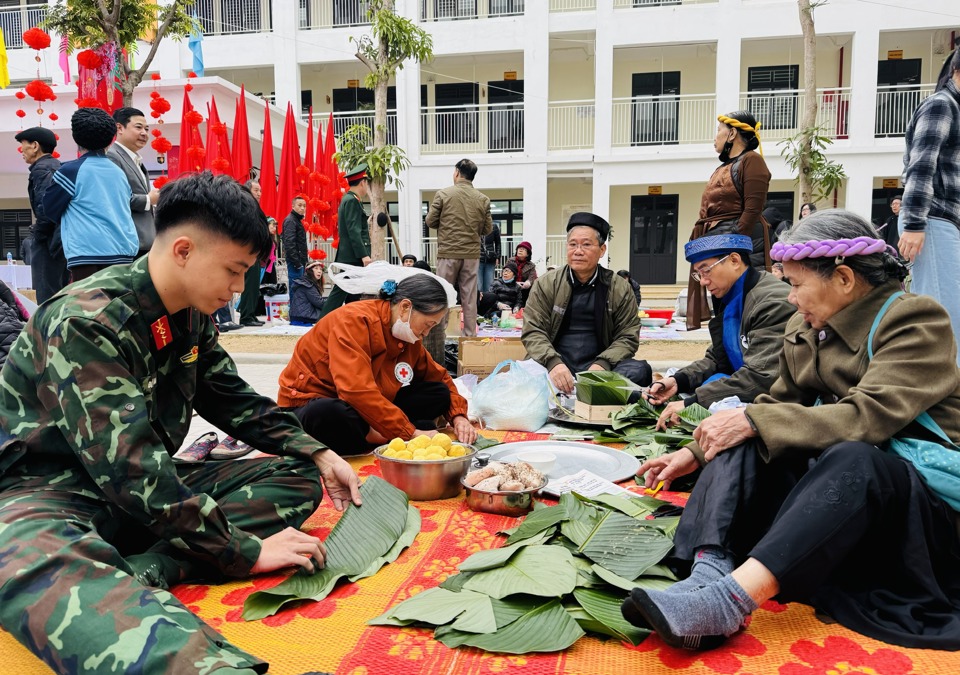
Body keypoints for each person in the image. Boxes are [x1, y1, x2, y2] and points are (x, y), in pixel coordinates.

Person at [0, 171, 362, 674]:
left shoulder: (188, 315)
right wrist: (242, 550)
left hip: (138, 497)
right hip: (49, 497)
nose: (239, 289)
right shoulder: (85, 321)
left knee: (296, 474)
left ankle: (160, 564)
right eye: (234, 271)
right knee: (42, 578)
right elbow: (133, 468)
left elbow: (232, 399)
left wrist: (317, 452)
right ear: (185, 250)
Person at [627, 209, 960, 652]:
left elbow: (867, 418)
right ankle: (708, 573)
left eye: (797, 284)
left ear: (843, 278)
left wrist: (752, 419)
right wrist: (696, 452)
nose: (790, 298)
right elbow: (777, 407)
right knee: (748, 434)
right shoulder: (806, 326)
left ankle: (728, 603)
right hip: (839, 497)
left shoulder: (914, 321)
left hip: (915, 510)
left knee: (849, 454)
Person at [278, 274, 477, 455]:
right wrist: (411, 433)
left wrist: (458, 416)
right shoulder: (353, 321)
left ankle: (376, 432)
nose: (426, 333)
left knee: (438, 393)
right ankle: (380, 434)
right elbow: (355, 390)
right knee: (328, 413)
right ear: (405, 307)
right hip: (316, 402)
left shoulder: (407, 336)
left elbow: (439, 376)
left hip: (370, 403)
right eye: (427, 325)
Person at [645, 234, 793, 428]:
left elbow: (761, 377)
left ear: (734, 260)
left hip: (775, 401)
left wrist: (692, 402)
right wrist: (678, 380)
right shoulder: (730, 295)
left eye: (706, 270)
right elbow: (718, 358)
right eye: (698, 274)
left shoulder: (771, 303)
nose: (703, 282)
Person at [522, 212, 651, 393]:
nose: (578, 251)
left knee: (639, 371)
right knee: (522, 375)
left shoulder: (619, 287)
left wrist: (603, 364)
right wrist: (553, 363)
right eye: (573, 244)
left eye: (587, 244)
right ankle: (591, 395)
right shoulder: (546, 283)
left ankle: (591, 392)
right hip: (555, 365)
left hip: (600, 368)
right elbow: (533, 330)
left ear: (602, 250)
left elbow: (628, 336)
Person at [899, 48, 960, 366]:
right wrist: (913, 224)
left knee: (948, 312)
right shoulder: (942, 105)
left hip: (941, 219)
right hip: (932, 218)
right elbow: (921, 167)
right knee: (942, 314)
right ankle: (944, 393)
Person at [686, 111, 772, 329]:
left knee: (746, 305)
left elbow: (752, 209)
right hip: (718, 242)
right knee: (724, 308)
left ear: (732, 133)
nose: (715, 137)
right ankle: (724, 356)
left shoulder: (752, 160)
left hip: (738, 245)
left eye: (718, 131)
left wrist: (732, 244)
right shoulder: (722, 168)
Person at [43, 107, 139, 282]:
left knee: (89, 307)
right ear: (111, 139)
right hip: (123, 253)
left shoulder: (70, 171)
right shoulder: (118, 172)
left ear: (76, 137)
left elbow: (49, 209)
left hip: (87, 254)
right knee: (117, 306)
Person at [425, 158, 493, 337]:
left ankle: (439, 336)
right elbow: (487, 229)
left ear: (456, 172)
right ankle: (470, 336)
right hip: (471, 255)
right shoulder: (483, 199)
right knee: (469, 297)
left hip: (448, 252)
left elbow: (430, 221)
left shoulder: (443, 194)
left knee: (443, 295)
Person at [15, 126, 68, 303]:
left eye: (24, 146)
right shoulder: (58, 166)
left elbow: (46, 208)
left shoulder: (41, 170)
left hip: (49, 243)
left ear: (35, 146)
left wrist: (37, 235)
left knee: (47, 298)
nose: (22, 151)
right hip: (62, 241)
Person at [319, 164, 372, 318]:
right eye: (366, 182)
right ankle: (322, 321)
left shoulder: (350, 199)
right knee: (341, 289)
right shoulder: (352, 201)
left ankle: (352, 320)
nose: (367, 186)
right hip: (352, 256)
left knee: (354, 290)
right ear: (362, 182)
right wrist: (364, 255)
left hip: (351, 255)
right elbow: (353, 231)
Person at [106, 107, 159, 257]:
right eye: (138, 127)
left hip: (144, 240)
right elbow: (117, 199)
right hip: (130, 242)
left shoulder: (135, 159)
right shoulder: (113, 157)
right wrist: (150, 199)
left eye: (147, 129)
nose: (144, 133)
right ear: (119, 128)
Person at [236, 179, 266, 327]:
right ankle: (246, 316)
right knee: (248, 284)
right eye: (256, 190)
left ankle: (251, 314)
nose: (259, 194)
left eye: (260, 190)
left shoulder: (255, 208)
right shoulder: (244, 207)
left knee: (254, 285)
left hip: (256, 251)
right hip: (247, 250)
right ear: (248, 191)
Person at [281, 195, 308, 287]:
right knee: (296, 288)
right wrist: (297, 263)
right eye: (299, 205)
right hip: (295, 262)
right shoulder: (291, 221)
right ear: (293, 206)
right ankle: (293, 302)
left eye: (304, 206)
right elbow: (289, 243)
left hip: (299, 261)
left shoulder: (296, 220)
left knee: (299, 289)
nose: (302, 208)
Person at [289, 259, 326, 325]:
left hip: (300, 317)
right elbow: (320, 303)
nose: (319, 271)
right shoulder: (308, 286)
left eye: (320, 269)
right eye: (316, 268)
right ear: (310, 271)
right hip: (303, 319)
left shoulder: (307, 283)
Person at [509, 240, 538, 307]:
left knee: (530, 290)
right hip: (511, 285)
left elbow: (531, 278)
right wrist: (515, 282)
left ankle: (525, 309)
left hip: (524, 289)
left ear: (527, 254)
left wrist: (527, 283)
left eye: (523, 249)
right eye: (519, 248)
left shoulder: (531, 265)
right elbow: (506, 274)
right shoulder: (511, 261)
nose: (520, 250)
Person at [479, 223, 501, 292]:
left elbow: (498, 243)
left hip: (490, 259)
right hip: (477, 259)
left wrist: (498, 256)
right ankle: (478, 302)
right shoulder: (474, 225)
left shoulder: (494, 226)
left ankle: (487, 302)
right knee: (478, 286)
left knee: (489, 286)